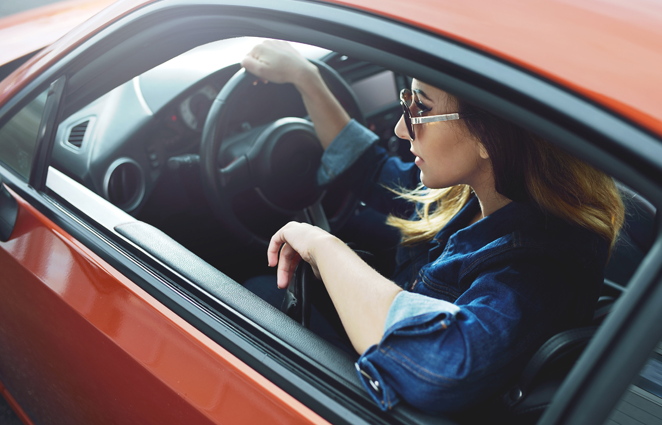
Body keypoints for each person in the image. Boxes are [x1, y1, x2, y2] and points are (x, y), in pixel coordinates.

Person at [241, 40, 625, 414]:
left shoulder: (536, 269)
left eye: (418, 108)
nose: (401, 129)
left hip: (390, 392)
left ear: (487, 136)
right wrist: (306, 78)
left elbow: (442, 368)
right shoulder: (472, 194)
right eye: (406, 101)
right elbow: (372, 172)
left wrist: (323, 247)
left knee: (255, 296)